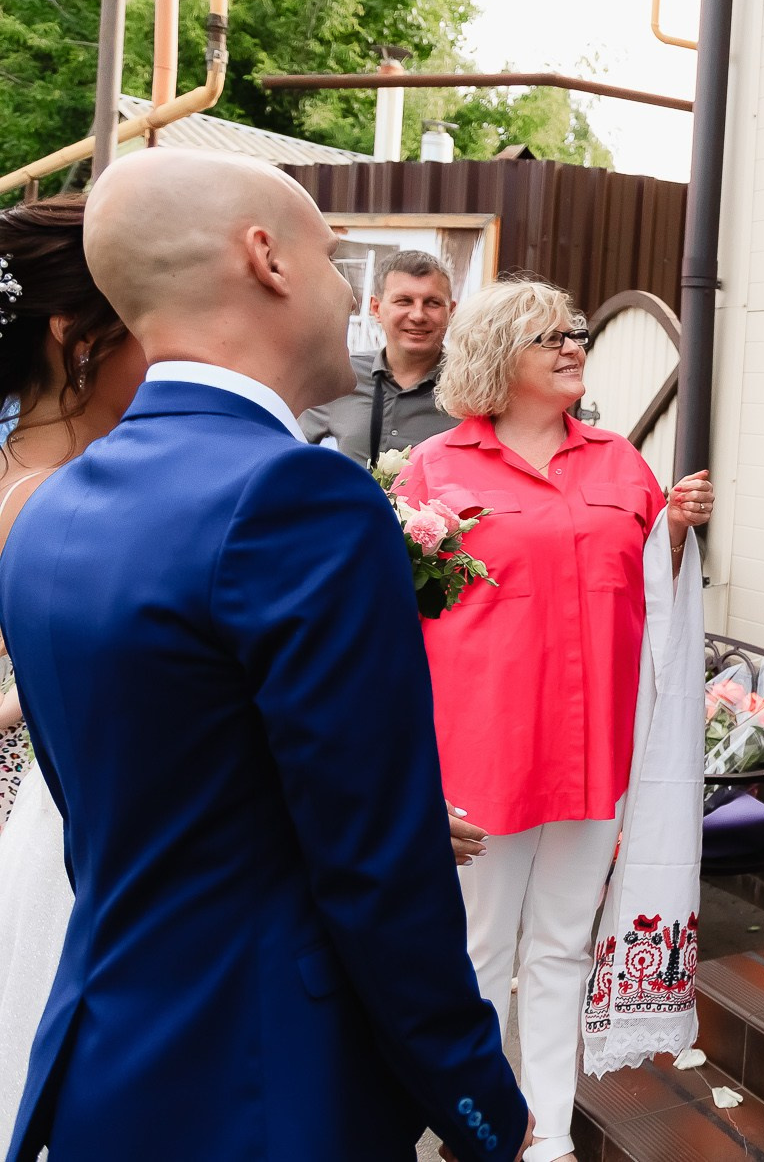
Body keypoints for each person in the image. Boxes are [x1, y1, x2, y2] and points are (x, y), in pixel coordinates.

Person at [0, 149, 530, 1162]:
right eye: (336, 261)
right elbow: (377, 859)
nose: (351, 295)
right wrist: (476, 1098)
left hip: (104, 1061)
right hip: (262, 1081)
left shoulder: (53, 508)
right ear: (267, 259)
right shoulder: (296, 498)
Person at [393, 277, 714, 1162]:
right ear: (501, 357)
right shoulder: (436, 468)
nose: (575, 345)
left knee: (566, 944)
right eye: (551, 337)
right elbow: (402, 617)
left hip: (595, 749)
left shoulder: (620, 459)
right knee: (482, 948)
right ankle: (481, 1127)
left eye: (577, 333)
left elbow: (659, 592)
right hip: (482, 750)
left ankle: (552, 1133)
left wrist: (678, 533)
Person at [0, 193, 149, 1144]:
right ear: (75, 336)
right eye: (140, 327)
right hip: (70, 810)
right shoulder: (51, 495)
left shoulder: (54, 468)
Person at [302, 248, 459, 464]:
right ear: (376, 308)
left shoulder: (472, 387)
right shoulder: (336, 377)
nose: (417, 315)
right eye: (404, 301)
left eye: (433, 303)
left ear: (451, 311)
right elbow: (291, 456)